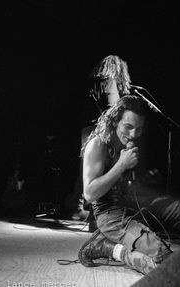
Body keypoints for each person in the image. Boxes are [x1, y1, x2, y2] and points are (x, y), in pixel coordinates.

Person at [78, 95, 180, 275]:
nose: (134, 134)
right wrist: (121, 165)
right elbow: (89, 194)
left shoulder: (128, 144)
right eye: (128, 127)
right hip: (110, 215)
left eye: (139, 129)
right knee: (165, 263)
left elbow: (124, 188)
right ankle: (107, 248)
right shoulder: (97, 144)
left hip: (134, 206)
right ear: (114, 121)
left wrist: (145, 181)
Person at [67, 55, 132, 220]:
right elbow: (113, 108)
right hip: (100, 130)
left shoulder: (93, 82)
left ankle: (78, 207)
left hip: (87, 129)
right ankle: (98, 211)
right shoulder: (109, 81)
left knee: (86, 169)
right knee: (105, 169)